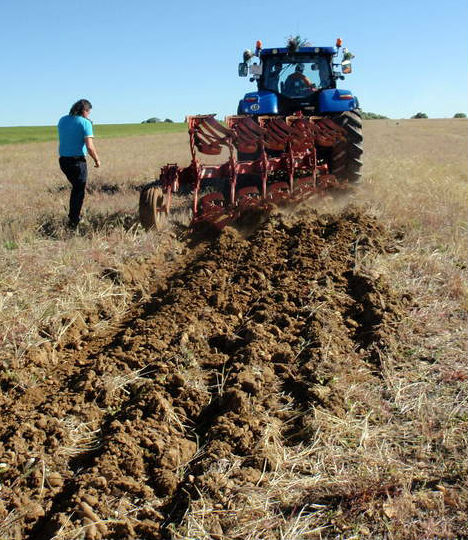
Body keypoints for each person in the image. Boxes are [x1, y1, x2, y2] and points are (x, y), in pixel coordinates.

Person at [57, 99, 100, 228]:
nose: (89, 115)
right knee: (78, 190)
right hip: (77, 162)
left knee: (76, 188)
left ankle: (74, 216)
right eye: (88, 112)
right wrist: (97, 160)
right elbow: (90, 147)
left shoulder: (62, 120)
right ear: (84, 111)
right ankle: (73, 220)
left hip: (63, 161)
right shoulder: (85, 123)